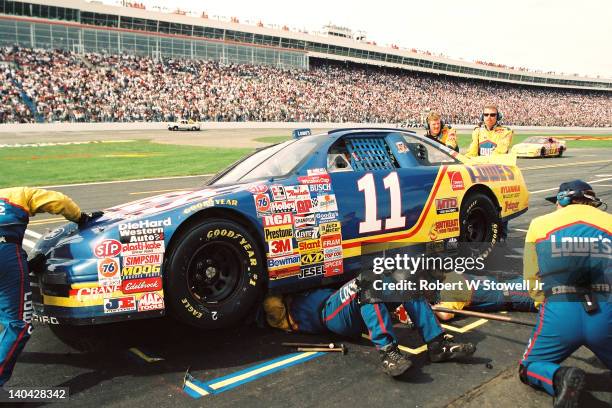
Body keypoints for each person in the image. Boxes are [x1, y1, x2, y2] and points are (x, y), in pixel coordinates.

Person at [518, 180, 611, 407]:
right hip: (605, 308)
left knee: (529, 367)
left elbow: (532, 277)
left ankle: (559, 377)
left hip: (559, 309)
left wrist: (541, 303)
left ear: (563, 200)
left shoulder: (539, 224)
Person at [264, 278, 476, 377]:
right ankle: (388, 354)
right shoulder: (279, 303)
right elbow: (270, 309)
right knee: (366, 283)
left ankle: (437, 345)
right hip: (330, 314)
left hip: (347, 305)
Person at [0, 187, 102, 387]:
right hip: (5, 251)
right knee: (18, 324)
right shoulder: (17, 194)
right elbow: (59, 201)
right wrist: (80, 218)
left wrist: (26, 266)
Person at [433, 274, 537, 321]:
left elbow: (445, 315)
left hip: (517, 294)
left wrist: (428, 306)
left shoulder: (450, 290)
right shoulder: (450, 276)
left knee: (550, 303)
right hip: (515, 284)